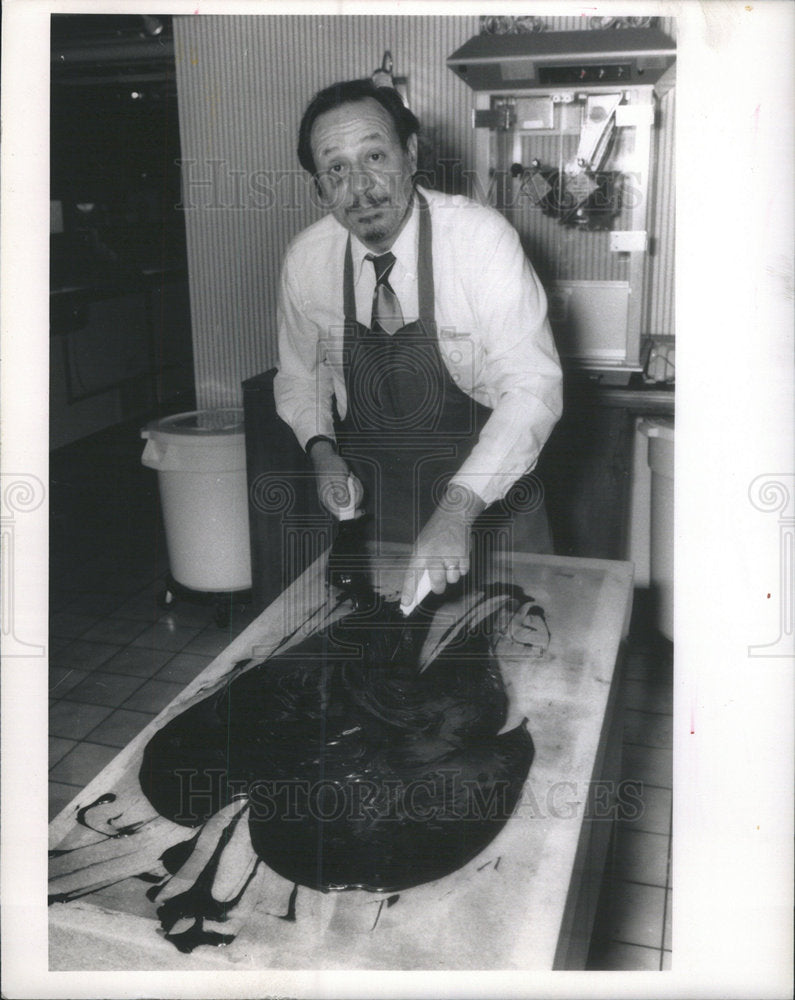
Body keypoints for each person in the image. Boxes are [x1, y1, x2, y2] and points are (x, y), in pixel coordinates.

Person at [274, 78, 562, 608]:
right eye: (336, 168)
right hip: (379, 512)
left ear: (410, 155)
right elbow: (300, 375)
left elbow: (532, 387)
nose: (359, 188)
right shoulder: (306, 262)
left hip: (492, 509)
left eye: (375, 156)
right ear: (319, 187)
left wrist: (456, 511)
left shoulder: (479, 239)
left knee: (520, 655)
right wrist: (321, 450)